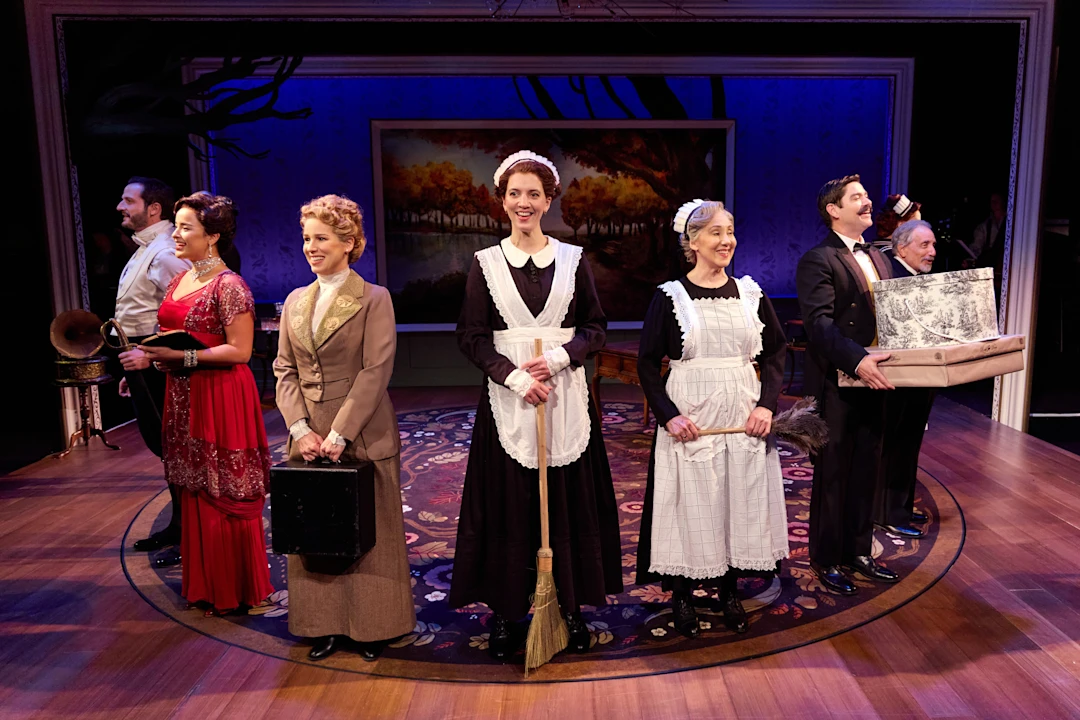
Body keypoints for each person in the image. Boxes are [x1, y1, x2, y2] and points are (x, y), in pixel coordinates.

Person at [450, 151, 623, 661]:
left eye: (533, 194)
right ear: (502, 201)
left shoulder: (574, 260)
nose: (523, 203)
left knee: (567, 502)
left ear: (549, 201)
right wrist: (513, 377)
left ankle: (568, 606)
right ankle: (507, 612)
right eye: (514, 194)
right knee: (509, 503)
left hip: (566, 398)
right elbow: (472, 336)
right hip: (508, 401)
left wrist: (566, 356)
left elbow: (596, 327)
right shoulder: (485, 264)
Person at [636, 200, 789, 637]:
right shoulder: (671, 298)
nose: (727, 241)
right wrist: (668, 416)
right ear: (693, 242)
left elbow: (775, 352)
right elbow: (648, 363)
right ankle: (682, 594)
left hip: (743, 412)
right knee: (690, 503)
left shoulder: (750, 293)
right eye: (716, 233)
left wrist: (766, 404)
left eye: (730, 231)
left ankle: (727, 590)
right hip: (691, 416)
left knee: (738, 501)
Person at [273, 194, 415, 662]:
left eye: (322, 238)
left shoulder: (374, 298)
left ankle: (374, 627)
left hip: (361, 428)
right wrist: (299, 429)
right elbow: (284, 370)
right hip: (307, 434)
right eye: (307, 238)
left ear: (349, 242)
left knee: (370, 531)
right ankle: (324, 625)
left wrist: (338, 435)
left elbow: (376, 369)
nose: (311, 247)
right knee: (316, 529)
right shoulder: (295, 300)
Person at [119, 193, 273, 616]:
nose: (176, 235)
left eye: (186, 227)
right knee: (194, 486)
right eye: (176, 226)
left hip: (221, 395)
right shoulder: (180, 279)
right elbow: (168, 336)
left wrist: (179, 358)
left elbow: (240, 352)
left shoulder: (229, 285)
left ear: (214, 236)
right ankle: (205, 584)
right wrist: (146, 361)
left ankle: (235, 587)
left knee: (222, 486)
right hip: (184, 392)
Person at [795, 174, 899, 596]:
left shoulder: (881, 257)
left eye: (867, 196)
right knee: (834, 471)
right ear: (833, 210)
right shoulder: (818, 259)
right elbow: (819, 327)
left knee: (867, 465)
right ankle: (827, 557)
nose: (868, 202)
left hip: (881, 378)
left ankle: (859, 551)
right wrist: (858, 361)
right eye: (857, 197)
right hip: (840, 380)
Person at [114, 176, 191, 567]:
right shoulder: (146, 249)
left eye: (128, 201)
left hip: (162, 363)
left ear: (154, 209)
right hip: (145, 360)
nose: (120, 207)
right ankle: (179, 525)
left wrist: (153, 358)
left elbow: (188, 316)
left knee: (176, 448)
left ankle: (190, 533)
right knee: (165, 450)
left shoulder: (163, 253)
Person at [876, 219, 938, 539]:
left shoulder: (919, 279)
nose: (932, 252)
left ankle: (899, 504)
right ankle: (887, 511)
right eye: (924, 245)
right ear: (902, 248)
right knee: (895, 443)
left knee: (910, 443)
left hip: (922, 375)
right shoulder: (893, 278)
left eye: (933, 245)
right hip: (899, 377)